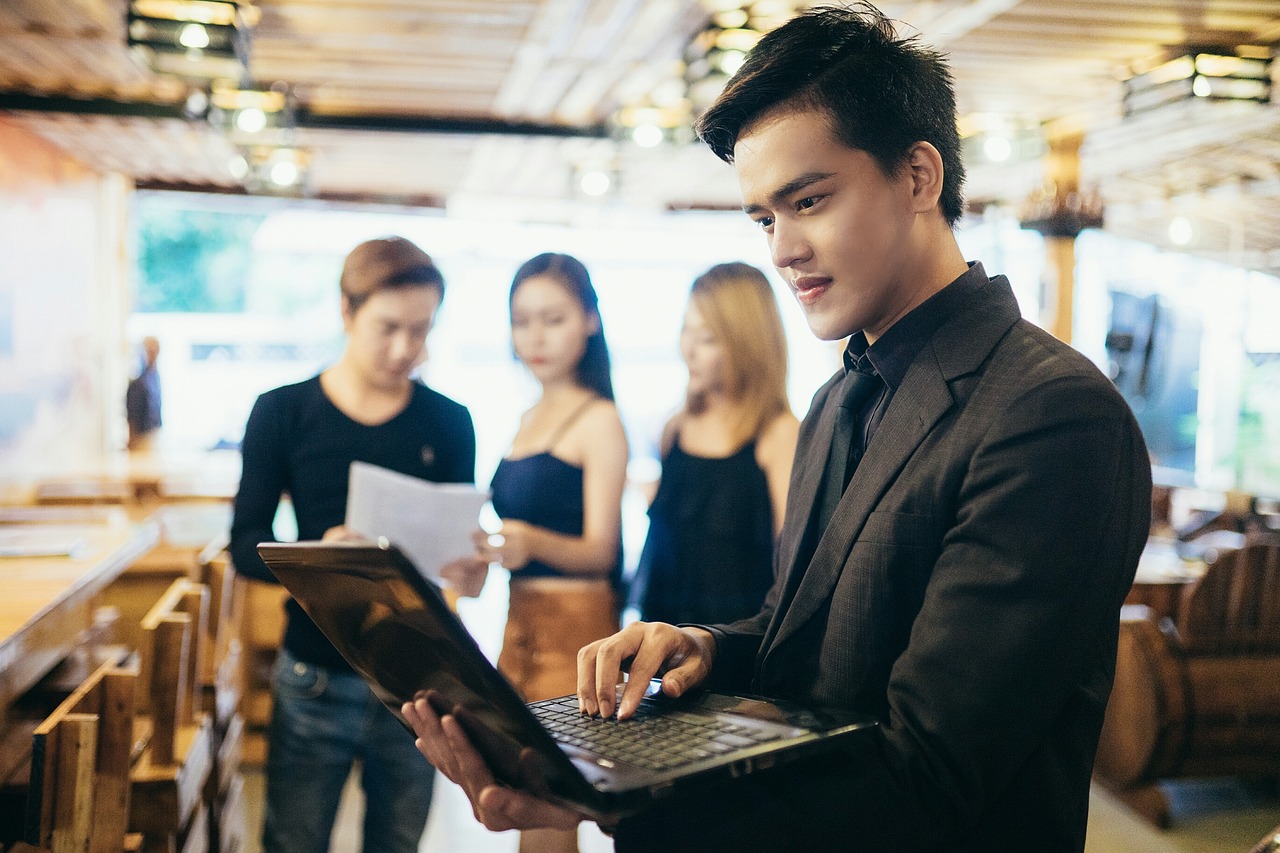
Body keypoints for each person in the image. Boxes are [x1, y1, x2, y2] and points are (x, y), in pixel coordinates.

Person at [401, 5, 1153, 852]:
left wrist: (606, 801)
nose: (783, 248)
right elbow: (802, 641)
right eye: (764, 218)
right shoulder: (839, 399)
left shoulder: (1049, 413)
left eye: (810, 200)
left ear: (918, 177)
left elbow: (930, 776)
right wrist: (702, 647)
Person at [229, 236, 476, 853]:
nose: (405, 350)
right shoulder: (282, 412)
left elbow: (457, 553)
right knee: (294, 841)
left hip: (417, 682)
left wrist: (470, 570)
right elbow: (243, 544)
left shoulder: (450, 421)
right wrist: (317, 558)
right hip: (315, 673)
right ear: (346, 311)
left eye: (421, 331)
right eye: (388, 328)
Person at [447, 252, 628, 853]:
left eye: (553, 318)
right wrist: (486, 553)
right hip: (518, 624)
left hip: (576, 634)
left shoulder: (599, 418)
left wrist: (528, 543)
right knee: (524, 808)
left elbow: (603, 552)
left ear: (590, 321)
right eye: (522, 321)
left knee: (550, 814)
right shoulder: (526, 417)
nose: (536, 337)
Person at [628, 262, 799, 625]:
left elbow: (791, 569)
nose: (688, 349)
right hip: (662, 634)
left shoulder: (778, 434)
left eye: (706, 338)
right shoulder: (675, 428)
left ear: (746, 342)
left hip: (734, 644)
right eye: (685, 331)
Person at [125, 335, 162, 451]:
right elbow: (132, 417)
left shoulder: (155, 376)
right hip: (141, 438)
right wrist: (132, 441)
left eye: (155, 350)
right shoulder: (138, 382)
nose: (153, 353)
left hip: (154, 433)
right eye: (149, 350)